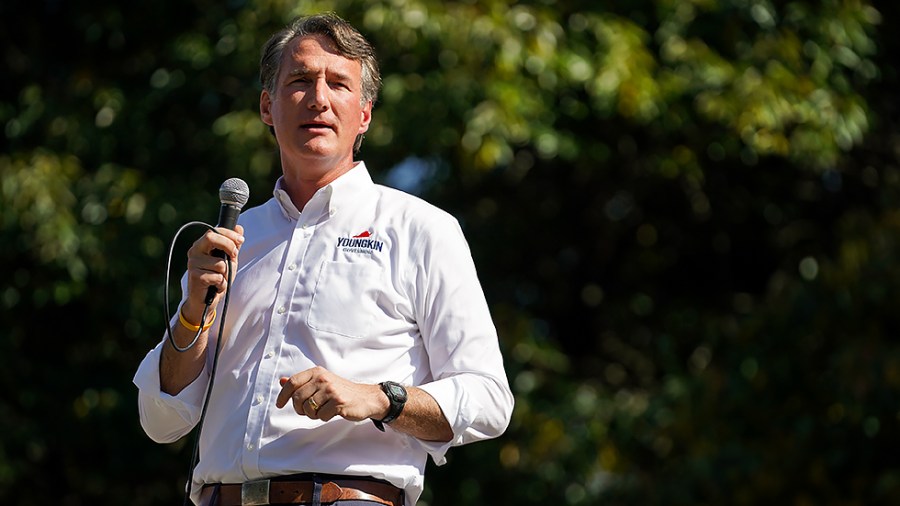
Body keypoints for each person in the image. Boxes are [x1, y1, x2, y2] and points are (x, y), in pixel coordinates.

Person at [133, 12, 514, 506]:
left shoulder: (422, 229)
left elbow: (488, 399)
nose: (318, 99)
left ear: (364, 115)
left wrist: (379, 397)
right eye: (300, 81)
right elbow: (160, 422)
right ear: (268, 107)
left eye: (338, 83)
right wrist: (190, 318)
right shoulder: (231, 240)